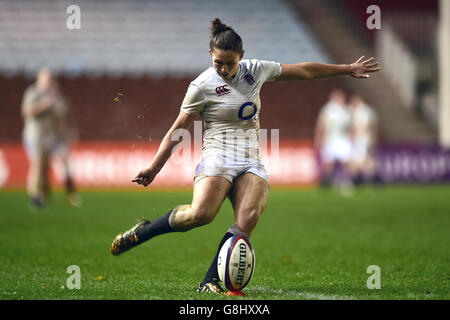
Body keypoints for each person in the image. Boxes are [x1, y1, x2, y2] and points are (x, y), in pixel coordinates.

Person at [110, 18, 380, 294]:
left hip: (251, 158)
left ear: (241, 56)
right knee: (200, 214)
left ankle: (210, 280)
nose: (224, 69)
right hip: (218, 156)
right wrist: (154, 168)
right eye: (218, 63)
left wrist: (347, 69)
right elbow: (177, 129)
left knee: (248, 218)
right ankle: (144, 231)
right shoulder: (201, 86)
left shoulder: (256, 70)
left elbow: (304, 71)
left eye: (230, 63)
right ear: (210, 57)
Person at [21, 68, 81, 208]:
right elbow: (27, 112)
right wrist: (43, 106)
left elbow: (63, 115)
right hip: (34, 133)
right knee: (37, 165)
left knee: (45, 167)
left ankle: (44, 196)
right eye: (46, 79)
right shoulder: (33, 93)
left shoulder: (55, 96)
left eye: (50, 79)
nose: (48, 81)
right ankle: (35, 196)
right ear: (39, 79)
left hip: (49, 134)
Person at [314, 89, 353, 194]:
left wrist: (351, 138)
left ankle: (346, 182)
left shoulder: (346, 110)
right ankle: (326, 183)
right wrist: (319, 138)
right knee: (328, 163)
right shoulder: (327, 110)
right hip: (330, 139)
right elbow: (321, 125)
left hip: (342, 139)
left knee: (346, 162)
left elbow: (350, 127)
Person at [348, 94, 381, 186]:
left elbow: (363, 127)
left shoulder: (362, 111)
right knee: (362, 160)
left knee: (360, 161)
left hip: (361, 139)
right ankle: (361, 180)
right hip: (365, 139)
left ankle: (360, 180)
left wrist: (354, 138)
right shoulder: (367, 111)